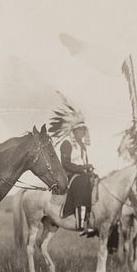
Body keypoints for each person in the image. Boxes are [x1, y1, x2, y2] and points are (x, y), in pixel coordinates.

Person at [49, 94, 96, 236]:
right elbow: (66, 163)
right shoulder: (67, 144)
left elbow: (82, 163)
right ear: (73, 131)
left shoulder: (82, 146)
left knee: (96, 181)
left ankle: (92, 218)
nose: (81, 133)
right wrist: (82, 169)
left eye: (83, 130)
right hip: (68, 174)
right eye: (79, 130)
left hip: (80, 173)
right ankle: (81, 223)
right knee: (81, 183)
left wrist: (88, 168)